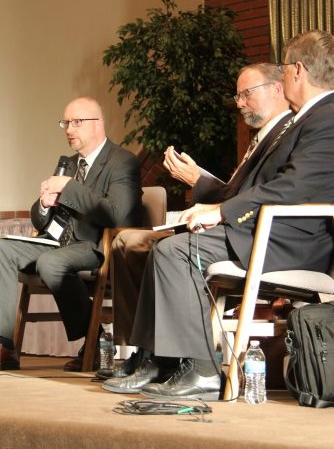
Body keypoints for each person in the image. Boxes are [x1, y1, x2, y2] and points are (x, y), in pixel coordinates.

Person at [102, 29, 334, 399]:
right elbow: (279, 186)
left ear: (297, 71)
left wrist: (222, 212)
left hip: (292, 242)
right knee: (166, 246)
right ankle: (160, 361)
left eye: (285, 67)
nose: (284, 73)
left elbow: (293, 187)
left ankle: (201, 371)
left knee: (175, 252)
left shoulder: (330, 120)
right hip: (273, 232)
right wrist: (219, 207)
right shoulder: (313, 118)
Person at [105, 63, 293, 382]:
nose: (239, 103)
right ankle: (146, 350)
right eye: (237, 96)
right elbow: (237, 193)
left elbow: (263, 196)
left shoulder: (285, 133)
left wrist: (200, 184)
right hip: (233, 222)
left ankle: (170, 358)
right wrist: (199, 178)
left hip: (253, 234)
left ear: (276, 90)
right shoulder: (263, 136)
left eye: (246, 94)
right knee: (126, 244)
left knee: (154, 247)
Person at [0, 96, 143, 372]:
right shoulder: (69, 164)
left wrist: (69, 188)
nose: (69, 129)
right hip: (56, 242)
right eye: (65, 123)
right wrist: (43, 205)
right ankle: (4, 345)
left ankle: (93, 339)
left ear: (99, 124)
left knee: (51, 263)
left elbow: (117, 214)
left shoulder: (122, 162)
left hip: (95, 246)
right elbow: (42, 219)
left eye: (76, 122)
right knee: (1, 249)